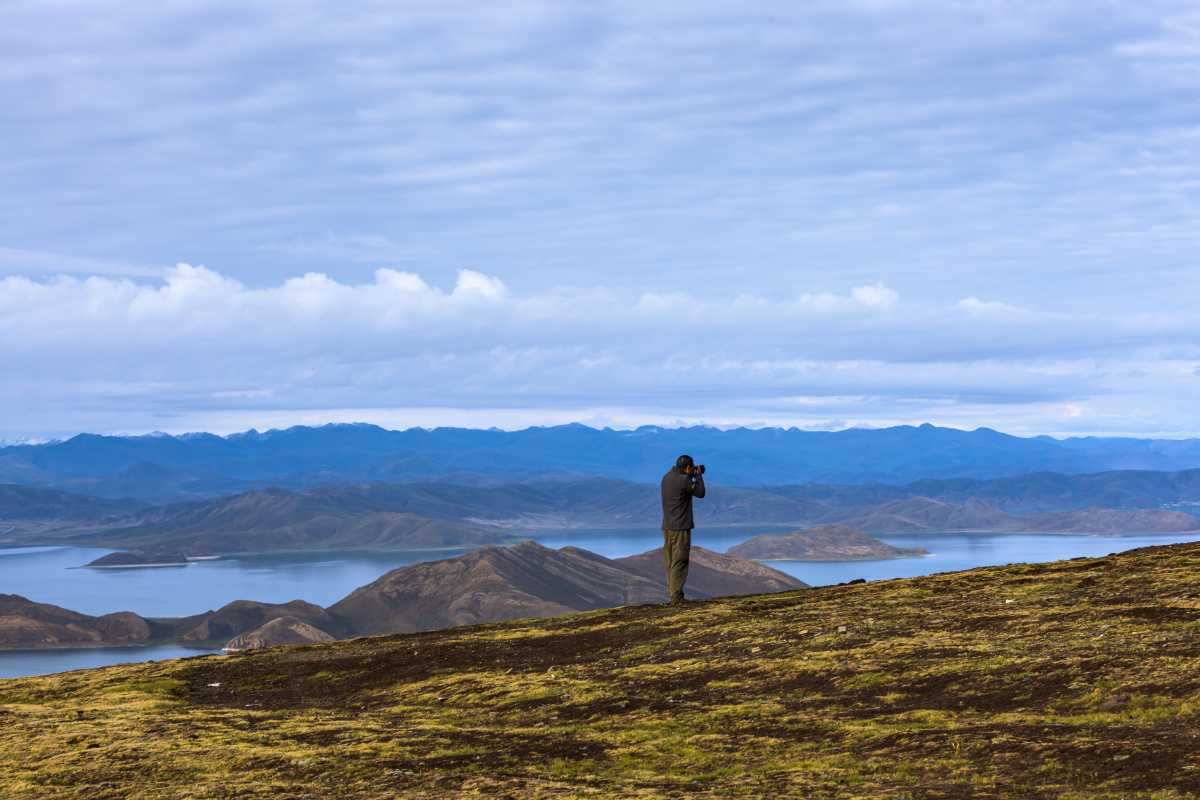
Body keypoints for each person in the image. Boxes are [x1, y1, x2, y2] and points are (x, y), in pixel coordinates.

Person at [660, 454, 706, 604]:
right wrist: (698, 476)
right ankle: (676, 598)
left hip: (667, 527)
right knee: (680, 561)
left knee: (671, 562)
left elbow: (681, 485)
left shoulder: (666, 477)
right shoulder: (684, 480)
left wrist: (691, 475)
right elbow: (700, 492)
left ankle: (673, 595)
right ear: (688, 468)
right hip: (680, 528)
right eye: (692, 467)